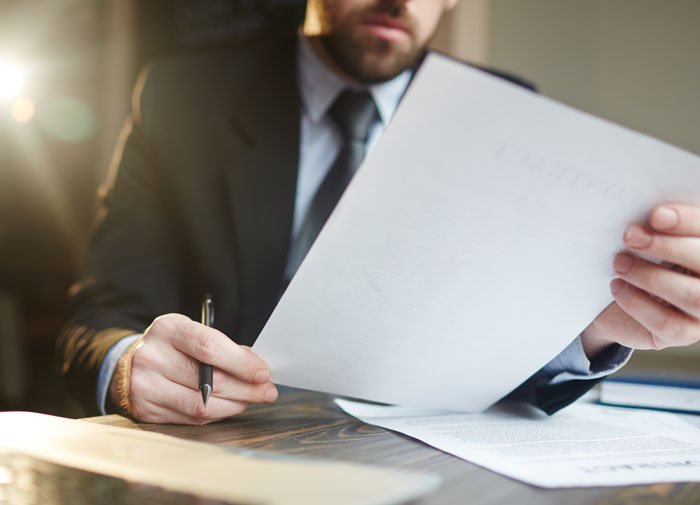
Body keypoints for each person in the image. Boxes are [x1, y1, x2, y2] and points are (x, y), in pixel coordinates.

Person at [59, 0, 700, 424]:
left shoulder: (505, 111)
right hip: (222, 453)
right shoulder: (182, 95)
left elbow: (497, 350)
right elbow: (96, 320)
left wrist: (595, 329)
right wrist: (127, 367)